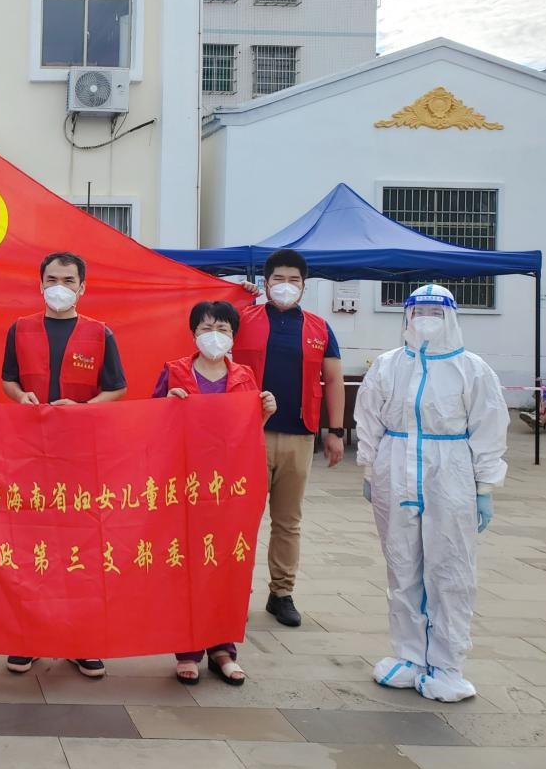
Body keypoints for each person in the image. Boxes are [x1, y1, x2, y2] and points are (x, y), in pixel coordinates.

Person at [355, 284, 508, 702]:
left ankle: (448, 664)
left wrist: (484, 485)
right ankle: (408, 656)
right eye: (419, 311)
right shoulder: (388, 365)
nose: (426, 320)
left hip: (450, 471)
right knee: (401, 566)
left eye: (435, 313)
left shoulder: (472, 369)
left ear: (451, 317)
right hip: (394, 467)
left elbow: (489, 427)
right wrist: (369, 467)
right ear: (407, 316)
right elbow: (368, 417)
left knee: (451, 569)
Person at [0, 251, 127, 679]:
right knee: (30, 545)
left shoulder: (100, 333)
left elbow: (116, 389)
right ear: (40, 284)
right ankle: (28, 638)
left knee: (80, 548)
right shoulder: (20, 329)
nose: (59, 287)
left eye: (68, 280)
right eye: (52, 279)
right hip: (29, 452)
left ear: (82, 287)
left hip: (80, 456)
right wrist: (20, 396)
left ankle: (80, 641)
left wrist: (84, 409)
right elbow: (8, 379)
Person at [152, 300, 277, 687]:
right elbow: (149, 422)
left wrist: (265, 411)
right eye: (206, 328)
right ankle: (188, 649)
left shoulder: (244, 375)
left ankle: (223, 648)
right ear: (193, 333)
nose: (214, 336)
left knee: (227, 563)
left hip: (230, 486)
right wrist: (167, 405)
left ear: (233, 336)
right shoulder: (174, 371)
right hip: (185, 482)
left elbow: (248, 429)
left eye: (222, 329)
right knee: (188, 563)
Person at [234, 249, 344, 628]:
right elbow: (207, 327)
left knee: (288, 521)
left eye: (293, 280)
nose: (285, 286)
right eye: (278, 279)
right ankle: (232, 592)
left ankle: (281, 593)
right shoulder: (242, 318)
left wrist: (335, 432)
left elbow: (333, 380)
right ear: (265, 284)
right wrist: (235, 295)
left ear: (304, 285)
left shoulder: (319, 328)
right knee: (241, 519)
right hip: (249, 435)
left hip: (299, 434)